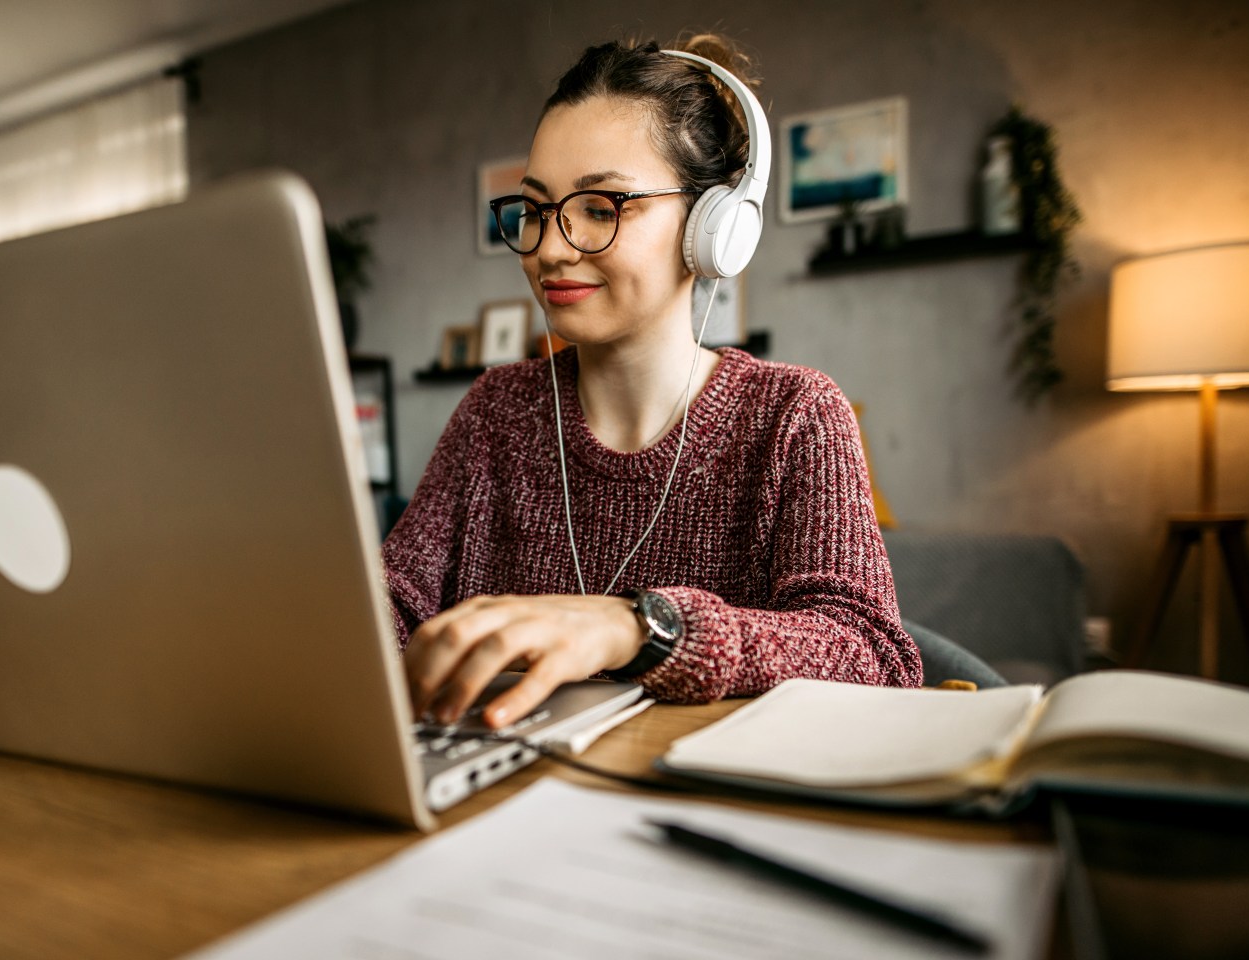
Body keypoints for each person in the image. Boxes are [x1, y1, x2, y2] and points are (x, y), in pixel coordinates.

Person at [383, 33, 921, 730]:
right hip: (501, 791)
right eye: (538, 208)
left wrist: (640, 627)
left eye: (602, 207)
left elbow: (874, 658)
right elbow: (394, 602)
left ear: (712, 228)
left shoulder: (795, 413)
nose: (549, 247)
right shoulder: (496, 411)